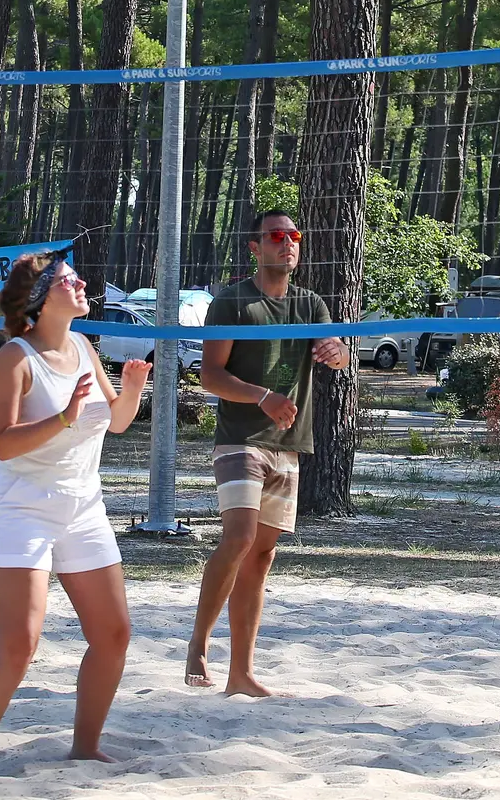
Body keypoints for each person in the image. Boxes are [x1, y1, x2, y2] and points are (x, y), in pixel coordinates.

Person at [0, 254, 150, 770]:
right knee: (19, 645)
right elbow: (1, 444)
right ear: (40, 300)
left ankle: (85, 747)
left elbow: (117, 422)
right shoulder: (15, 359)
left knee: (113, 635)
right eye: (68, 280)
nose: (81, 283)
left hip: (84, 505)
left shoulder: (84, 347)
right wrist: (63, 417)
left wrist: (131, 390)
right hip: (23, 508)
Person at [185, 209, 348, 696]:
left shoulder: (310, 303)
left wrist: (339, 354)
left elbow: (334, 348)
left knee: (262, 555)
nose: (288, 243)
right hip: (240, 439)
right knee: (238, 538)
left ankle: (241, 673)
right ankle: (198, 642)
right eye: (277, 236)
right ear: (255, 247)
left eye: (295, 235)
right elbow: (210, 376)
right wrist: (262, 396)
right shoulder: (232, 302)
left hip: (288, 444)